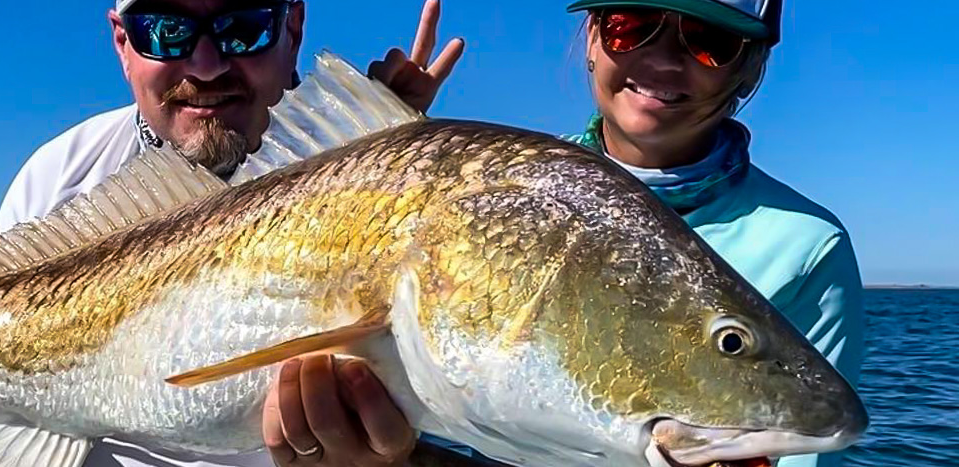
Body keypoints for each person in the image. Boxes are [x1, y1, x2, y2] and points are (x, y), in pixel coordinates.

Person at [0, 1, 466, 466]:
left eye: (243, 26)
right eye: (165, 31)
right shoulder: (57, 178)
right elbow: (8, 455)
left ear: (293, 26)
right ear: (123, 43)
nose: (204, 65)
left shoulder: (399, 184)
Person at [368, 0, 867, 466]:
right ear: (591, 36)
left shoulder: (805, 246)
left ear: (748, 67)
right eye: (631, 25)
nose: (664, 60)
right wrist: (381, 155)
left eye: (709, 39)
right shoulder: (493, 185)